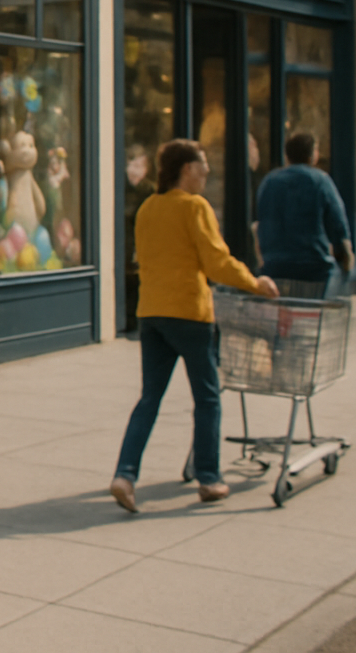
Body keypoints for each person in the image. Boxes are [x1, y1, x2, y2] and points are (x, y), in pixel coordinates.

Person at [109, 139, 279, 513]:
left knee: (149, 398)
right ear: (186, 169)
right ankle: (209, 477)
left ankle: (125, 474)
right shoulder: (194, 207)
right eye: (202, 168)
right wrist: (255, 282)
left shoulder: (148, 208)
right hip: (189, 313)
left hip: (151, 313)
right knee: (207, 396)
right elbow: (216, 261)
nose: (206, 174)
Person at [254, 132, 353, 296]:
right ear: (313, 155)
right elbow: (338, 228)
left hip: (274, 268)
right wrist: (346, 260)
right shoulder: (321, 181)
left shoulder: (269, 182)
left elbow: (259, 225)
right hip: (313, 270)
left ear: (287, 156)